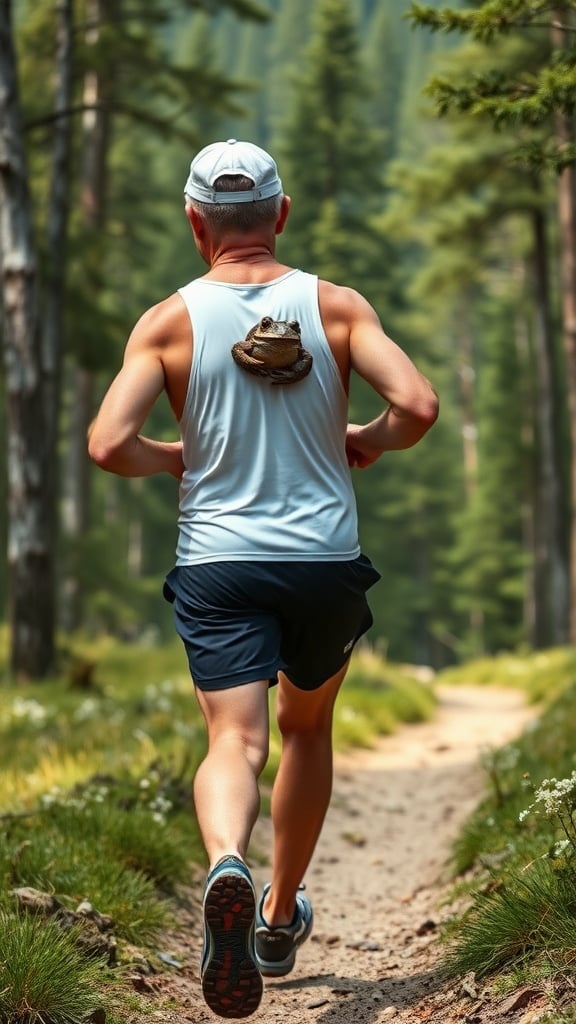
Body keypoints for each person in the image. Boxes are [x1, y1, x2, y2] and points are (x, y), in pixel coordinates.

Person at [88, 138, 439, 1019]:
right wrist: (369, 439)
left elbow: (105, 444)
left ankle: (225, 866)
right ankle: (278, 917)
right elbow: (420, 407)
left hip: (220, 562)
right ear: (279, 214)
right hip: (321, 561)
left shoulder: (167, 321)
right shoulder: (337, 308)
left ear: (194, 221)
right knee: (307, 728)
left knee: (235, 743)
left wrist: (173, 457)